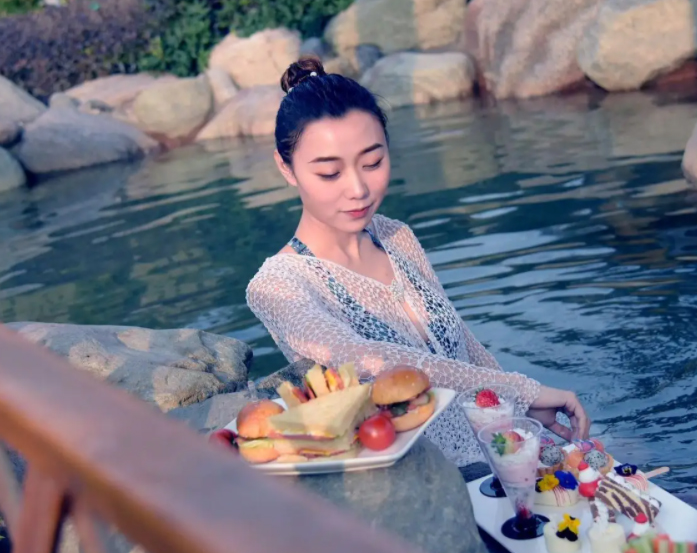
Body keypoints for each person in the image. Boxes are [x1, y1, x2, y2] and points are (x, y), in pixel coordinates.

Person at [245, 57, 591, 467]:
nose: (358, 189)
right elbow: (367, 358)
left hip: (498, 449)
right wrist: (521, 388)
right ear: (286, 168)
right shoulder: (278, 286)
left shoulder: (396, 236)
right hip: (429, 479)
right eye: (329, 173)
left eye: (372, 163)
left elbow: (464, 346)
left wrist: (521, 408)